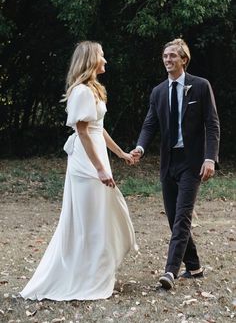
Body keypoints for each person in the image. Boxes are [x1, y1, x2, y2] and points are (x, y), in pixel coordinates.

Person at [20, 41, 138, 301]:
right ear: (91, 60)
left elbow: (98, 128)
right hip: (86, 165)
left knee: (100, 218)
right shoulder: (82, 92)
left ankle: (95, 272)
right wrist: (98, 169)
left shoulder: (94, 89)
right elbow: (83, 132)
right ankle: (81, 277)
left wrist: (120, 154)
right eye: (102, 56)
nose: (105, 60)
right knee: (88, 222)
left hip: (98, 160)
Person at [131, 38, 220, 290]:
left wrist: (209, 157)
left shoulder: (201, 86)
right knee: (173, 218)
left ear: (184, 59)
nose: (168, 60)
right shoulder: (158, 92)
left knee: (182, 217)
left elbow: (213, 125)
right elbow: (150, 124)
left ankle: (170, 271)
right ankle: (194, 267)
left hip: (192, 163)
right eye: (165, 56)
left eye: (173, 56)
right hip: (168, 163)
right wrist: (140, 147)